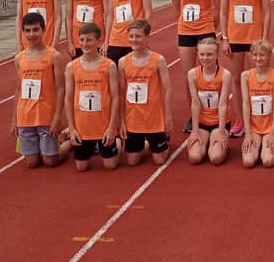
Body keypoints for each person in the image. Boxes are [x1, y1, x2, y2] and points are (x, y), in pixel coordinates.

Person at [220, 0, 271, 138]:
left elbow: (267, 13)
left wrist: (265, 38)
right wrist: (224, 38)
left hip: (255, 39)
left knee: (256, 80)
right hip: (234, 38)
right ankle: (240, 120)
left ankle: (258, 119)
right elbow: (224, 13)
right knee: (236, 79)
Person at [171, 0, 220, 133]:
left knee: (208, 74)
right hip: (185, 32)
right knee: (189, 75)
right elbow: (176, 6)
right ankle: (195, 115)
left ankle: (213, 114)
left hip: (206, 31)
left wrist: (209, 26)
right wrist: (186, 23)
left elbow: (219, 8)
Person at [10, 12, 65, 168]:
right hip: (25, 115)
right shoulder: (19, 58)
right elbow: (18, 89)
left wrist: (57, 117)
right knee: (32, 163)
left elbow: (60, 88)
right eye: (27, 30)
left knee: (50, 162)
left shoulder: (54, 56)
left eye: (35, 30)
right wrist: (15, 119)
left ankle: (67, 144)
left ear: (43, 30)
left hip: (45, 115)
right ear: (23, 32)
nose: (32, 34)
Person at [65, 22, 119, 172]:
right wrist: (71, 128)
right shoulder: (72, 67)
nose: (84, 43)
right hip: (82, 126)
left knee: (110, 165)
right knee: (81, 167)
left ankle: (118, 140)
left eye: (89, 40)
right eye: (81, 40)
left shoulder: (109, 66)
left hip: (103, 125)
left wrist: (111, 127)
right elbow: (68, 99)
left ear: (98, 41)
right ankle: (70, 140)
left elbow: (115, 97)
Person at [118, 19, 174, 166]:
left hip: (153, 118)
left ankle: (163, 142)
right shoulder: (123, 62)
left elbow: (167, 89)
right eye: (131, 36)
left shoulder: (158, 60)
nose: (133, 40)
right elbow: (121, 93)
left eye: (138, 36)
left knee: (159, 161)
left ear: (147, 36)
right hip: (133, 118)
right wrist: (122, 121)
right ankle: (147, 144)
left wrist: (167, 117)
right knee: (132, 161)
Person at [187, 37, 231, 165]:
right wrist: (194, 131)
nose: (205, 58)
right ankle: (204, 141)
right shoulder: (192, 74)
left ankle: (216, 142)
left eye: (209, 54)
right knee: (195, 158)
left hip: (219, 123)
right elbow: (195, 104)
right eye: (202, 54)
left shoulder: (225, 75)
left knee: (215, 158)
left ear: (217, 55)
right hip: (202, 123)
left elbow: (223, 105)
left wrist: (222, 131)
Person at [240, 39, 274, 168]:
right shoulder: (245, 76)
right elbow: (246, 104)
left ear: (270, 55)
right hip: (254, 127)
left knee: (268, 161)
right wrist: (247, 133)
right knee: (248, 162)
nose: (258, 58)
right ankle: (256, 142)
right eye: (255, 55)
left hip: (270, 126)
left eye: (262, 55)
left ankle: (267, 143)